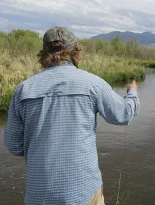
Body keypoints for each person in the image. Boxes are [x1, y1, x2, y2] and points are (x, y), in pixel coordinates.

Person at [3, 27, 140, 205]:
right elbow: (123, 115)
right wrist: (132, 93)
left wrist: (42, 148)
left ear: (44, 53)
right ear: (76, 51)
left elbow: (13, 145)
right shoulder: (93, 84)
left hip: (38, 197)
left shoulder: (23, 90)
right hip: (84, 194)